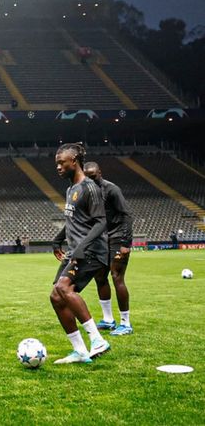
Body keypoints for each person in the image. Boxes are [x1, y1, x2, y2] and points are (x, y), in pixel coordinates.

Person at [50, 144, 111, 364]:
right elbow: (74, 220)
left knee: (63, 288)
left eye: (62, 162)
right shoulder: (71, 189)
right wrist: (58, 239)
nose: (58, 167)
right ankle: (80, 351)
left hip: (91, 251)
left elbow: (101, 222)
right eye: (57, 163)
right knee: (56, 296)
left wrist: (82, 247)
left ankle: (97, 340)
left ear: (74, 161)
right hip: (77, 250)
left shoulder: (89, 187)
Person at [84, 161, 134, 336]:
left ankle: (125, 323)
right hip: (101, 239)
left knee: (116, 276)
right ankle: (108, 319)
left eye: (93, 176)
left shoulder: (112, 189)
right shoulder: (88, 192)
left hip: (118, 236)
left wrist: (126, 243)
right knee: (99, 276)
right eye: (87, 178)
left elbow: (127, 215)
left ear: (100, 173)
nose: (91, 180)